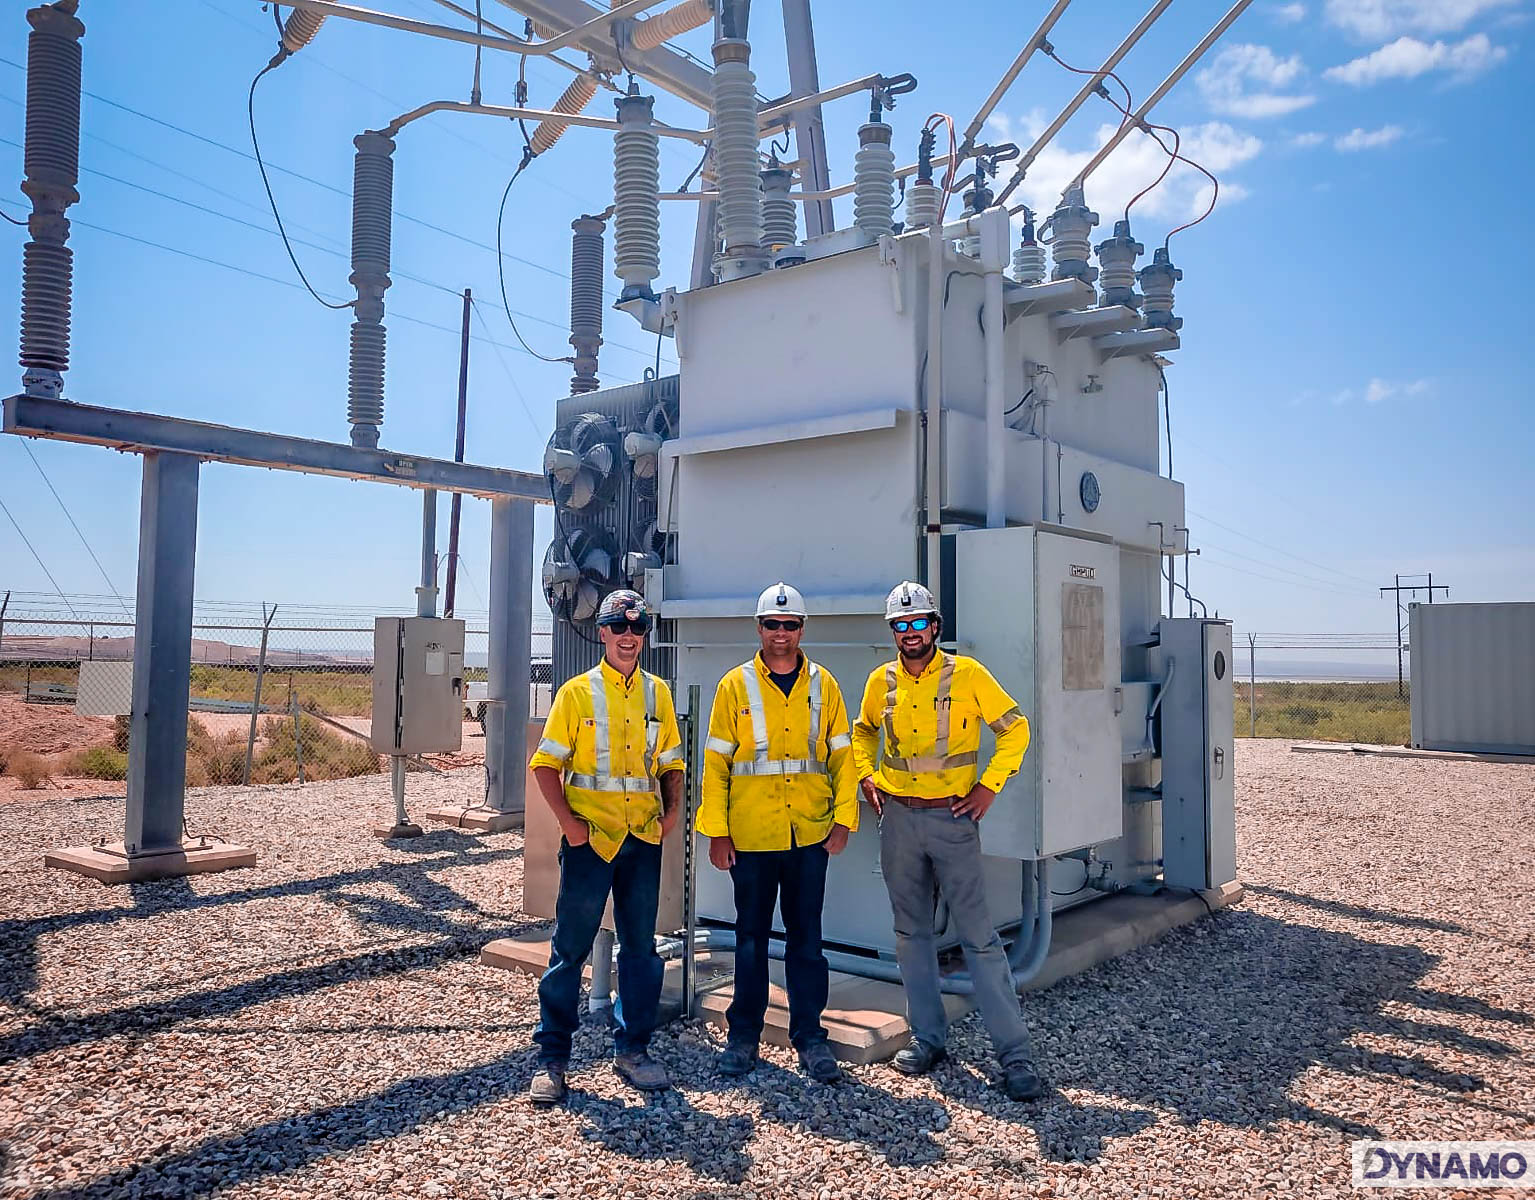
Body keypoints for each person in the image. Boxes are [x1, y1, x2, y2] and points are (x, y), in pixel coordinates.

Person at [851, 580, 1045, 1102]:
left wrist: (989, 786)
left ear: (935, 626)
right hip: (899, 820)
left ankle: (1016, 1057)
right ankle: (928, 1040)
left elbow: (1015, 729)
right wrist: (866, 774)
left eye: (919, 622)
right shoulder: (881, 681)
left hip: (953, 820)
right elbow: (863, 731)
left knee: (979, 939)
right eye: (901, 625)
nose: (910, 632)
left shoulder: (968, 675)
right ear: (893, 632)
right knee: (910, 935)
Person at [526, 589, 685, 1105]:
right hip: (591, 842)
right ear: (602, 634)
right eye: (619, 627)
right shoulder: (577, 693)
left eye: (637, 629)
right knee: (569, 949)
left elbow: (671, 764)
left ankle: (633, 1050)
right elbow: (544, 765)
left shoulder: (658, 694)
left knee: (640, 950)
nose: (628, 636)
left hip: (641, 840)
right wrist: (571, 827)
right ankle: (553, 1058)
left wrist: (672, 816)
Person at [698, 582, 858, 1084]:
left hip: (809, 834)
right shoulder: (735, 686)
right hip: (751, 836)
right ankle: (743, 1035)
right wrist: (717, 832)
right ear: (759, 628)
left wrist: (844, 819)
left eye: (790, 625)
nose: (781, 633)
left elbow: (843, 757)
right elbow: (716, 765)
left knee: (807, 939)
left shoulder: (824, 685)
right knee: (750, 938)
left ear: (802, 629)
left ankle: (810, 1037)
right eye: (773, 624)